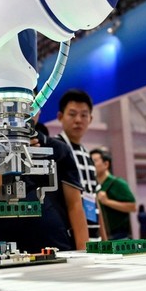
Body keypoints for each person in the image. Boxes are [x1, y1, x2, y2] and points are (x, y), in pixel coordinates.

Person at [0, 108, 89, 253]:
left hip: (55, 248)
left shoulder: (58, 149)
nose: (21, 113)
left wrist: (84, 252)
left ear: (38, 111)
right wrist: (12, 160)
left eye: (29, 106)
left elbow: (75, 205)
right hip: (2, 252)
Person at [56, 88, 100, 239]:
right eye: (72, 114)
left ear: (91, 119)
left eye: (84, 115)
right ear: (60, 117)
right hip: (68, 236)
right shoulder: (55, 150)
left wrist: (104, 239)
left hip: (94, 235)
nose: (78, 120)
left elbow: (95, 199)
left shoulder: (87, 154)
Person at [90, 148, 137, 240]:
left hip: (120, 236)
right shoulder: (93, 185)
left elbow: (133, 207)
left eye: (94, 161)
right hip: (101, 236)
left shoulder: (117, 183)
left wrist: (107, 202)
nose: (91, 164)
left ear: (106, 164)